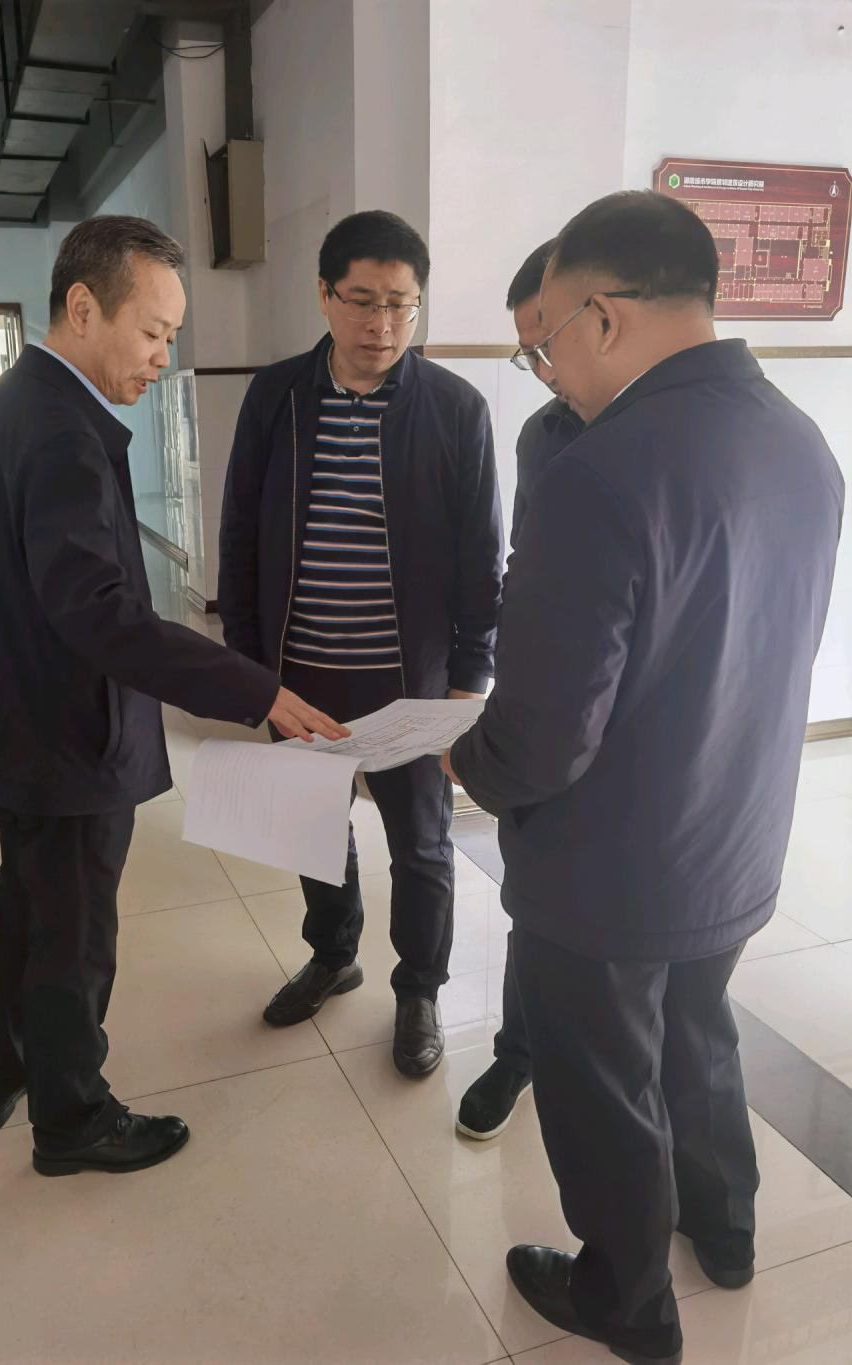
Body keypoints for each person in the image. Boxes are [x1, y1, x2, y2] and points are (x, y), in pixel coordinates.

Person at [444, 191, 843, 1363]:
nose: (547, 374)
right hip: (736, 835)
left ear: (602, 317)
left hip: (607, 874)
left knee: (604, 1087)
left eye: (547, 344)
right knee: (697, 1039)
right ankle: (725, 1229)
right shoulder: (800, 440)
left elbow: (541, 742)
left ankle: (625, 1301)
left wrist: (460, 754)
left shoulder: (599, 471)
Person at [0, 215, 346, 1178]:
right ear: (84, 309)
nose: (165, 356)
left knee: (25, 906)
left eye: (172, 335)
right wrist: (256, 690)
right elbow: (102, 615)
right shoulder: (60, 432)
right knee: (73, 933)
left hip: (12, 721)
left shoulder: (10, 401)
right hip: (62, 735)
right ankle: (72, 1119)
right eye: (154, 331)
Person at [219, 210, 503, 1077]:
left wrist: (470, 677)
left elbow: (481, 554)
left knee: (421, 843)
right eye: (362, 300)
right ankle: (333, 952)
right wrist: (249, 669)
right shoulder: (276, 398)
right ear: (324, 294)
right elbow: (240, 535)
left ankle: (419, 989)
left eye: (401, 304)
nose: (382, 324)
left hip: (410, 681)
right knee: (311, 827)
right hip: (299, 673)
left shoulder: (456, 409)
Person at [457, 239, 584, 1141]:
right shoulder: (544, 436)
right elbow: (523, 564)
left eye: (549, 345)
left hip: (635, 740)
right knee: (531, 904)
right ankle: (517, 1052)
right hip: (547, 709)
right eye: (526, 352)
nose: (542, 370)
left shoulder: (663, 440)